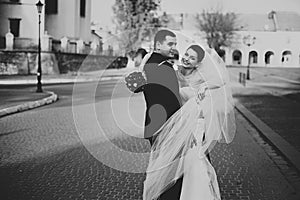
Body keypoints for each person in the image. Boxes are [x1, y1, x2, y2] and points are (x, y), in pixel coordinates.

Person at [143, 44, 236, 200]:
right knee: (173, 159)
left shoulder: (200, 76)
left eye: (192, 58)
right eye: (186, 54)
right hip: (174, 121)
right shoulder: (174, 71)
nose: (187, 59)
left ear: (198, 63)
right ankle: (171, 190)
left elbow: (222, 80)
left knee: (193, 159)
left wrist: (205, 87)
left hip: (193, 123)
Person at [135, 29, 183, 200]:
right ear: (158, 45)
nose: (174, 47)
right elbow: (171, 101)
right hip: (167, 124)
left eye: (175, 44)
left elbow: (137, 88)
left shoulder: (150, 63)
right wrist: (182, 124)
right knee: (169, 172)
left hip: (153, 124)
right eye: (170, 44)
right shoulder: (163, 67)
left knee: (160, 167)